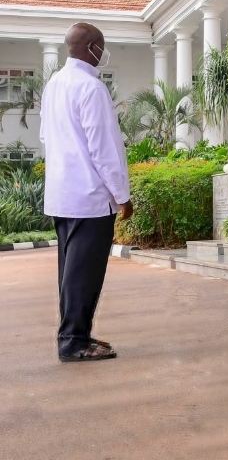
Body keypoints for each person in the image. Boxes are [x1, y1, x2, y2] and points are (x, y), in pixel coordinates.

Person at [40, 22, 132, 362]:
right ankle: (73, 342)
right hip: (91, 198)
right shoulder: (91, 89)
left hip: (63, 196)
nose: (103, 53)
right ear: (92, 47)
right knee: (84, 275)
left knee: (71, 273)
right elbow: (104, 150)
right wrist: (121, 195)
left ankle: (77, 334)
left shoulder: (55, 84)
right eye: (102, 46)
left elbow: (46, 138)